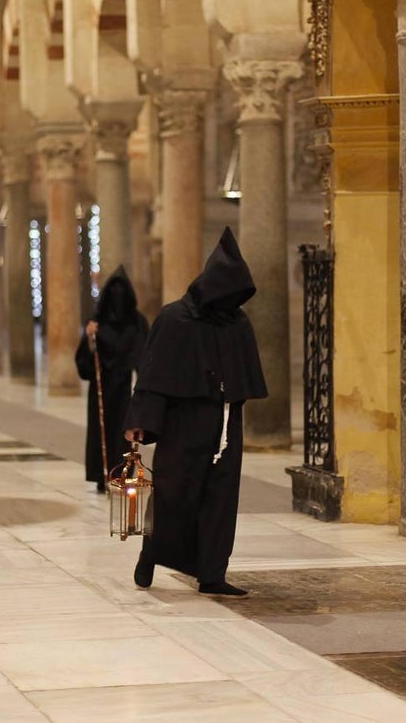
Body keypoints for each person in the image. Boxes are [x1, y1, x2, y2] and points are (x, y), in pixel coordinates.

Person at [123, 228, 267, 597]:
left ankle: (212, 573)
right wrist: (140, 421)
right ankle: (150, 555)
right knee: (174, 494)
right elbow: (153, 376)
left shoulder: (237, 323)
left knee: (221, 499)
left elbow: (242, 378)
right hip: (183, 425)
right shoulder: (175, 320)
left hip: (225, 427)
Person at [75, 266, 149, 492]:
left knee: (123, 431)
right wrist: (90, 339)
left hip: (125, 387)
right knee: (101, 431)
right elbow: (84, 364)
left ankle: (123, 472)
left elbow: (145, 355)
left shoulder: (136, 323)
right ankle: (102, 473)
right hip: (101, 385)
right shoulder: (97, 322)